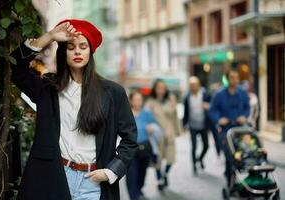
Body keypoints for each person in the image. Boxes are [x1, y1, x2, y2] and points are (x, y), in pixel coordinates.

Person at [10, 19, 138, 200]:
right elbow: (16, 68)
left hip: (93, 182)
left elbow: (130, 139)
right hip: (55, 177)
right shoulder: (48, 89)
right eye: (71, 47)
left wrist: (111, 172)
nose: (77, 51)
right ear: (63, 53)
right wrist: (51, 36)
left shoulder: (113, 93)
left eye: (83, 46)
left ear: (90, 52)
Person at [209, 68, 250, 187]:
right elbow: (212, 111)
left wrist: (244, 116)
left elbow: (247, 108)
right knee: (229, 155)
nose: (235, 80)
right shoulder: (219, 94)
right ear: (227, 79)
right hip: (226, 130)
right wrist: (219, 119)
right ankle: (229, 178)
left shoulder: (242, 92)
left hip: (240, 128)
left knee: (246, 152)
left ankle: (245, 176)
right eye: (232, 77)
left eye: (236, 77)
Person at [145, 79, 181, 191]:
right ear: (155, 89)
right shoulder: (150, 102)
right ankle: (160, 179)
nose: (161, 90)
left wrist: (178, 130)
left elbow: (175, 116)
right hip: (157, 135)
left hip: (169, 133)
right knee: (157, 160)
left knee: (171, 158)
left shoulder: (171, 100)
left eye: (163, 88)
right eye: (159, 87)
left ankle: (165, 173)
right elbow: (145, 117)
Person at [126, 91, 161, 200]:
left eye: (140, 100)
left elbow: (157, 127)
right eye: (135, 99)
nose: (138, 102)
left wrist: (153, 127)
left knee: (142, 174)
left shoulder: (146, 113)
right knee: (132, 176)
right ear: (131, 101)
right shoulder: (126, 114)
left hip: (145, 148)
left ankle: (139, 188)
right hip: (130, 149)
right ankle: (134, 196)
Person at [183, 76, 210, 175]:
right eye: (191, 85)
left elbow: (212, 106)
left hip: (203, 125)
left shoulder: (205, 94)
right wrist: (184, 125)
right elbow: (185, 112)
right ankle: (194, 165)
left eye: (195, 85)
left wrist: (208, 106)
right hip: (192, 125)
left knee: (206, 146)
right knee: (194, 146)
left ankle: (200, 158)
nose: (193, 87)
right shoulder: (187, 97)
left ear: (199, 85)